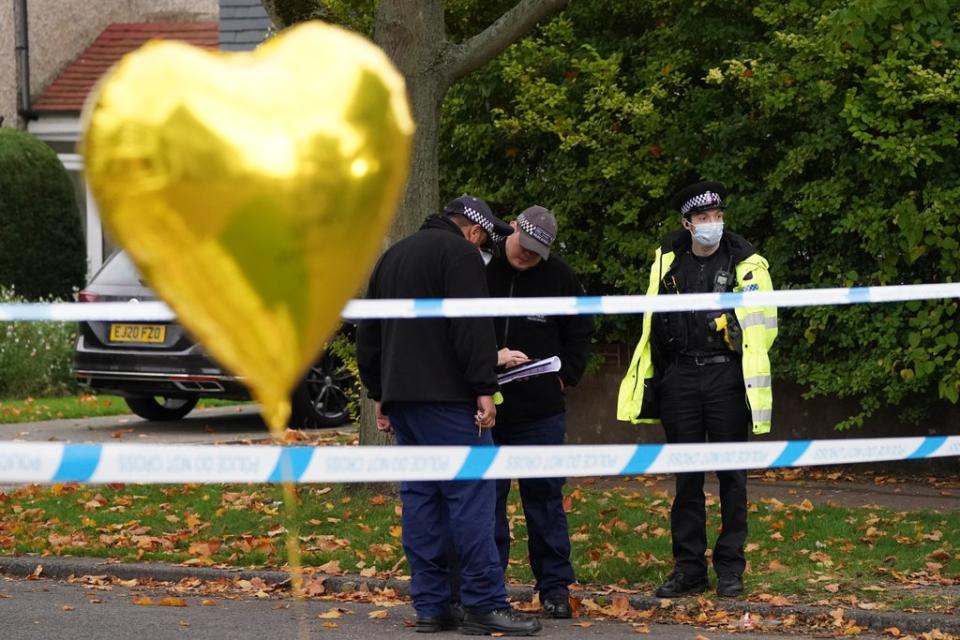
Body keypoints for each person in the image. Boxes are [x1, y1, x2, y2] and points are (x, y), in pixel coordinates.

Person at [356, 195, 542, 636]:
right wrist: (484, 388)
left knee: (421, 501)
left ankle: (432, 605)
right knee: (471, 499)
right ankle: (484, 603)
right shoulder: (459, 255)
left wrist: (379, 391)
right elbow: (471, 325)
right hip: (449, 401)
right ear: (474, 231)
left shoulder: (392, 257)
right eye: (485, 241)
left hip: (405, 403)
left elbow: (370, 328)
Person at [616, 181, 777, 599]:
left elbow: (765, 326)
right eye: (704, 219)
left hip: (726, 378)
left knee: (732, 478)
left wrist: (735, 327)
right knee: (687, 479)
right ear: (687, 223)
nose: (713, 225)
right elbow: (652, 321)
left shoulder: (746, 263)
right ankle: (689, 569)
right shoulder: (669, 263)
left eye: (718, 216)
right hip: (681, 379)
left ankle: (730, 569)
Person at [486, 205, 594, 618]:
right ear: (513, 227)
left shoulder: (560, 277)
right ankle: (489, 588)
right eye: (523, 246)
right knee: (488, 503)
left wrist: (566, 374)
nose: (526, 256)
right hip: (488, 405)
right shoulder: (481, 268)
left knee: (546, 501)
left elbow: (580, 330)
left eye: (536, 252)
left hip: (541, 410)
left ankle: (553, 587)